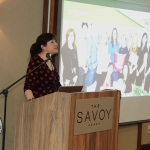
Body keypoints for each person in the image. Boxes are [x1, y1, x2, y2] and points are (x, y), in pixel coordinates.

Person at [24, 33, 61, 101]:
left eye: (55, 41)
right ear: (43, 47)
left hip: (54, 104)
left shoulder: (50, 61)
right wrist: (32, 104)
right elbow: (28, 87)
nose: (56, 44)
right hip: (41, 105)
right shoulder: (36, 61)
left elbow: (57, 86)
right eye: (52, 42)